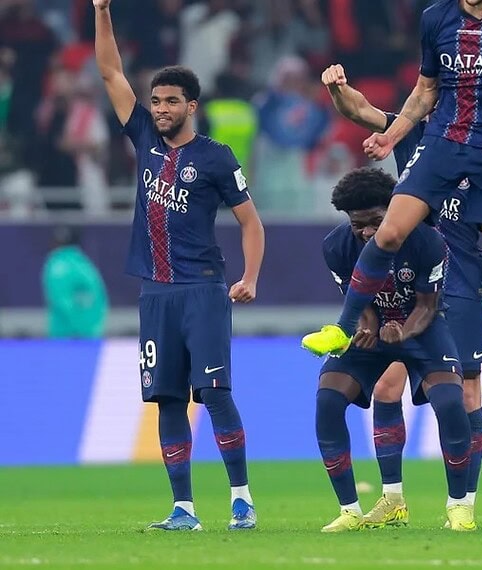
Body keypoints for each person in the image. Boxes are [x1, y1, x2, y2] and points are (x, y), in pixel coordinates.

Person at [302, 0, 482, 436]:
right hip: (406, 283)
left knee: (469, 382)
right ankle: (343, 331)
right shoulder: (435, 30)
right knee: (386, 384)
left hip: (461, 278)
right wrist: (387, 133)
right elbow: (395, 102)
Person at [93, 0, 265, 531]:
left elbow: (252, 223)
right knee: (167, 399)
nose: (161, 108)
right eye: (156, 100)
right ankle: (184, 508)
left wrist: (249, 278)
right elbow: (109, 71)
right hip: (156, 293)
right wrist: (102, 12)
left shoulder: (216, 158)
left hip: (203, 290)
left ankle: (241, 499)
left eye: (171, 101)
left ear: (191, 105)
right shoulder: (143, 137)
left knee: (214, 394)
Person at [319, 64, 482, 525]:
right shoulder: (414, 134)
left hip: (457, 281)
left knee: (464, 397)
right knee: (384, 384)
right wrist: (338, 89)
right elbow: (360, 110)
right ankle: (393, 498)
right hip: (391, 277)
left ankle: (464, 504)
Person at [316, 167, 476, 532]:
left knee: (451, 402)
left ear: (393, 209)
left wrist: (401, 331)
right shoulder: (335, 246)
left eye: (375, 221)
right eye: (359, 225)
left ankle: (460, 506)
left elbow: (427, 304)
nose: (368, 232)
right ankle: (350, 511)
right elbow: (358, 303)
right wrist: (369, 327)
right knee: (327, 400)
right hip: (376, 332)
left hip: (421, 327)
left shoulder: (428, 241)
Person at [42, 226, 109, 339]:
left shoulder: (56, 264)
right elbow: (101, 299)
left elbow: (61, 301)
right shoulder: (85, 264)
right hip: (91, 334)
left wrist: (77, 329)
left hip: (64, 335)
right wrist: (92, 328)